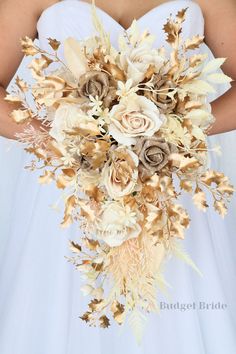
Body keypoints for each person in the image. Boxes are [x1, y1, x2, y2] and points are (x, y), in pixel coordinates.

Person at [0, 1, 235, 353]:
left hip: (166, 185)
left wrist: (174, 132)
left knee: (174, 300)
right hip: (72, 188)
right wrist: (65, 142)